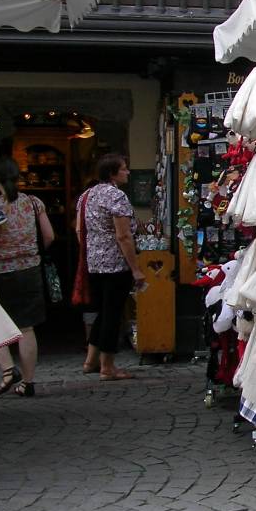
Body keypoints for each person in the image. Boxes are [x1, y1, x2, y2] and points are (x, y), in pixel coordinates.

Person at [0, 158, 55, 397]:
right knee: (26, 327)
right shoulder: (34, 202)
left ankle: (8, 369)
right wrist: (31, 252)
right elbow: (49, 236)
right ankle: (28, 382)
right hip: (30, 269)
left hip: (2, 271)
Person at [77, 154, 144, 380]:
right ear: (112, 173)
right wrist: (135, 268)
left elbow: (79, 230)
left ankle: (90, 360)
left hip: (95, 263)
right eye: (124, 169)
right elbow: (123, 235)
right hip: (115, 263)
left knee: (103, 312)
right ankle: (107, 366)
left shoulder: (87, 195)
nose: (128, 172)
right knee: (113, 314)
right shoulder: (116, 196)